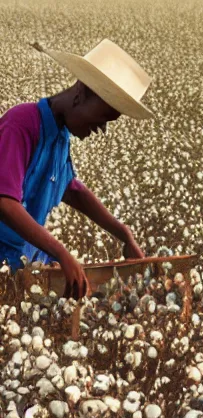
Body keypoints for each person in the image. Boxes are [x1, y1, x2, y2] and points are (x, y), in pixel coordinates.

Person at [0, 39, 154, 300]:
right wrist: (60, 252)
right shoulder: (21, 124)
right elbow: (4, 201)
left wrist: (123, 233)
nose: (102, 129)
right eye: (103, 117)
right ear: (81, 92)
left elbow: (72, 189)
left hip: (24, 265)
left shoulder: (59, 137)